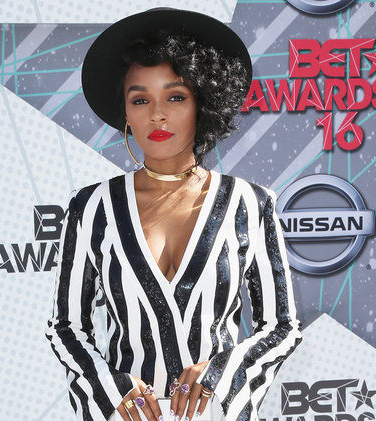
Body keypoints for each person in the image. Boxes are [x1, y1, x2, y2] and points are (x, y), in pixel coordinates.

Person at [46, 8, 302, 421]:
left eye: (176, 96)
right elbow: (65, 325)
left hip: (214, 412)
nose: (157, 114)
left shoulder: (250, 203)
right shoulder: (91, 207)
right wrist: (112, 388)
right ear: (125, 112)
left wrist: (221, 373)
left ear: (203, 102)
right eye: (141, 99)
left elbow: (281, 325)